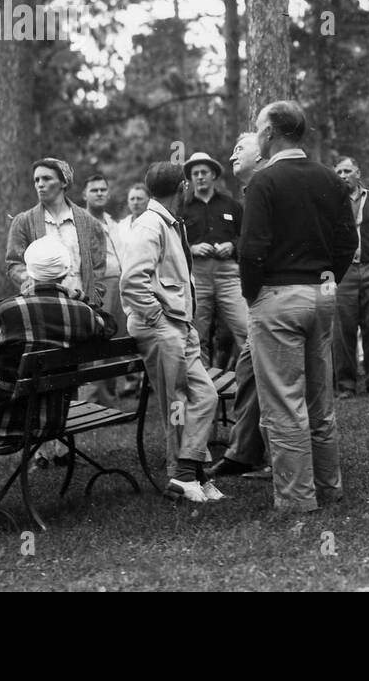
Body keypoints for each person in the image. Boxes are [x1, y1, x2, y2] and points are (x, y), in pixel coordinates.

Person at [0, 237, 117, 531]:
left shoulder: (10, 312)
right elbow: (108, 325)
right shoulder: (80, 313)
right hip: (51, 417)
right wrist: (79, 297)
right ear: (66, 273)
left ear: (29, 273)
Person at [240, 101, 357, 514]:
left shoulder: (263, 182)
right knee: (319, 399)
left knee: (285, 403)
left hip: (278, 297)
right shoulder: (330, 178)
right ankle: (329, 488)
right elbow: (348, 244)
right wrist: (327, 281)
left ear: (270, 134)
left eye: (258, 129)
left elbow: (251, 249)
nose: (256, 135)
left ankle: (296, 500)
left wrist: (252, 294)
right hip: (322, 296)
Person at [121, 162, 222, 504]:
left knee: (204, 397)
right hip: (162, 327)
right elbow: (132, 282)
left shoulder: (168, 222)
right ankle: (184, 476)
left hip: (179, 324)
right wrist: (157, 318)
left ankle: (191, 472)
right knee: (177, 402)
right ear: (181, 187)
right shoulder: (149, 226)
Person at [208, 132, 272, 481]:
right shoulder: (250, 193)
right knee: (247, 373)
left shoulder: (270, 187)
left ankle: (281, 460)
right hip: (256, 301)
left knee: (275, 382)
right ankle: (242, 453)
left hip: (274, 301)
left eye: (240, 147)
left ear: (262, 154)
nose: (233, 152)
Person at [181, 151, 251, 378]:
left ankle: (249, 385)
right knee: (197, 336)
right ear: (190, 178)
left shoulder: (231, 205)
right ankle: (204, 391)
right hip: (197, 277)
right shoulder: (183, 208)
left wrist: (232, 245)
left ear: (213, 176)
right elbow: (175, 242)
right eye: (195, 173)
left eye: (204, 172)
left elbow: (245, 236)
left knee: (246, 330)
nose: (200, 177)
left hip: (228, 275)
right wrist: (192, 248)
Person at [5, 157, 107, 308]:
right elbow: (14, 264)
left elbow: (98, 267)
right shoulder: (24, 221)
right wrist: (30, 280)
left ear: (64, 182)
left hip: (81, 306)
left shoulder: (90, 223)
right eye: (36, 180)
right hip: (41, 305)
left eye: (46, 178)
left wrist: (92, 297)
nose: (40, 184)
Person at [331, 156, 369, 398]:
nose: (343, 175)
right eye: (339, 171)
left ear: (358, 173)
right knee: (342, 328)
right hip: (343, 274)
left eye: (347, 171)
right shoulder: (329, 201)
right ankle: (346, 384)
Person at [80, 173, 136, 408]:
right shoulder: (79, 221)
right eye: (94, 190)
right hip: (97, 285)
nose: (100, 193)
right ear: (85, 195)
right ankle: (93, 401)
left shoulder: (111, 222)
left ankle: (109, 399)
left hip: (118, 283)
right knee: (98, 339)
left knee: (114, 338)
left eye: (103, 189)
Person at [116, 183, 150, 254]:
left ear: (148, 201)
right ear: (128, 202)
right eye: (132, 199)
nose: (135, 202)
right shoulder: (121, 225)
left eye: (139, 199)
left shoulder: (154, 223)